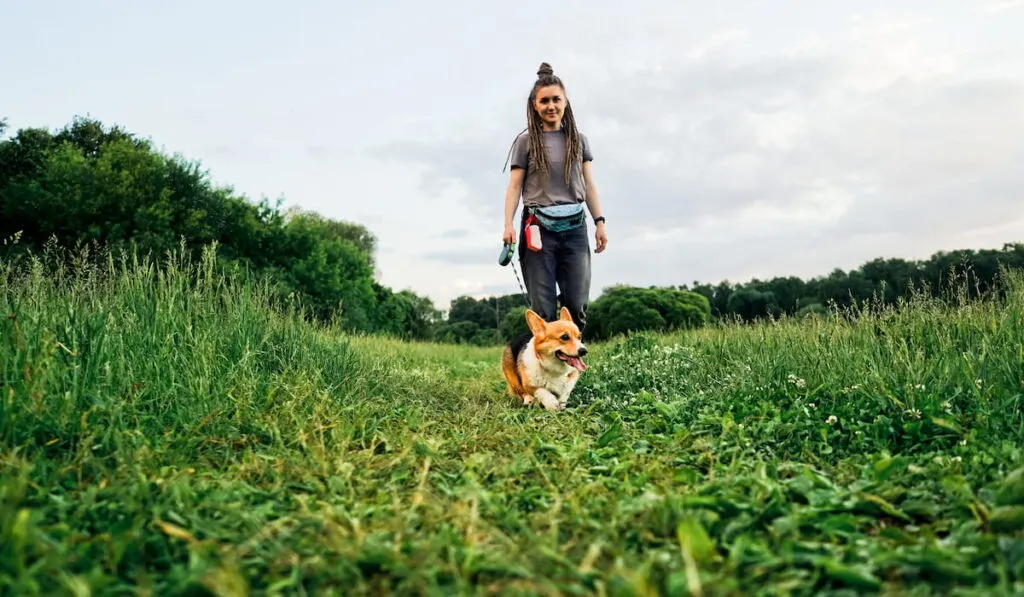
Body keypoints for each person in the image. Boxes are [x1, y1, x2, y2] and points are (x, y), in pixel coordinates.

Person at [502, 62, 608, 334]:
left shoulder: (579, 140)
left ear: (566, 102)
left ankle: (570, 368)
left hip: (574, 228)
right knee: (544, 310)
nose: (551, 106)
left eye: (556, 99)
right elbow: (514, 187)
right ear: (534, 105)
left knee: (576, 307)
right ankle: (545, 374)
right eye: (544, 101)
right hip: (538, 229)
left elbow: (589, 184)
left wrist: (599, 221)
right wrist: (508, 225)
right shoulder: (525, 142)